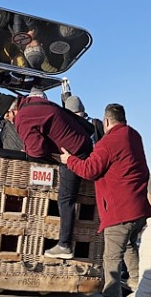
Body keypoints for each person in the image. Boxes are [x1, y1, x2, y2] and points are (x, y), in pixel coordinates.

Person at [59, 103, 150, 297]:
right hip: (138, 208)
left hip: (119, 210)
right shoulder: (134, 136)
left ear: (107, 121)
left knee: (111, 258)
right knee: (129, 247)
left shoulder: (108, 142)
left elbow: (89, 170)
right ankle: (140, 293)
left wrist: (69, 159)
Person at [15, 90, 93, 259]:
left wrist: (27, 149)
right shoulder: (42, 105)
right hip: (81, 144)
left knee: (66, 199)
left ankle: (64, 245)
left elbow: (37, 149)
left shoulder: (23, 115)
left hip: (74, 152)